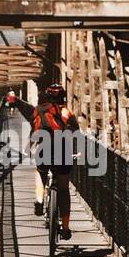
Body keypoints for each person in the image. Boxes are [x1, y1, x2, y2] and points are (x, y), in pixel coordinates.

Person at [30, 82, 78, 240]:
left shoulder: (38, 111)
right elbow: (75, 133)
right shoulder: (66, 112)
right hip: (62, 152)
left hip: (44, 149)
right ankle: (65, 228)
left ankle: (39, 199)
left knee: (40, 171)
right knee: (64, 190)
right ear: (63, 97)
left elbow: (33, 131)